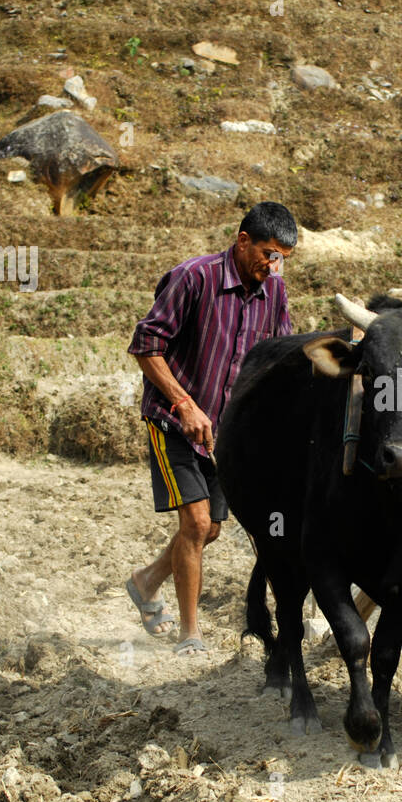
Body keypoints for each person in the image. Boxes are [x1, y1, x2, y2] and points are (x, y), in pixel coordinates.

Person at [124, 202, 296, 655]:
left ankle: (146, 582)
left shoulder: (273, 291)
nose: (274, 266)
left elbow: (280, 355)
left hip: (227, 433)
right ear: (242, 241)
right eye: (268, 254)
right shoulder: (193, 278)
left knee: (211, 529)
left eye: (282, 259)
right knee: (197, 522)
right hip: (173, 421)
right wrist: (183, 403)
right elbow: (145, 346)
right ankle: (190, 634)